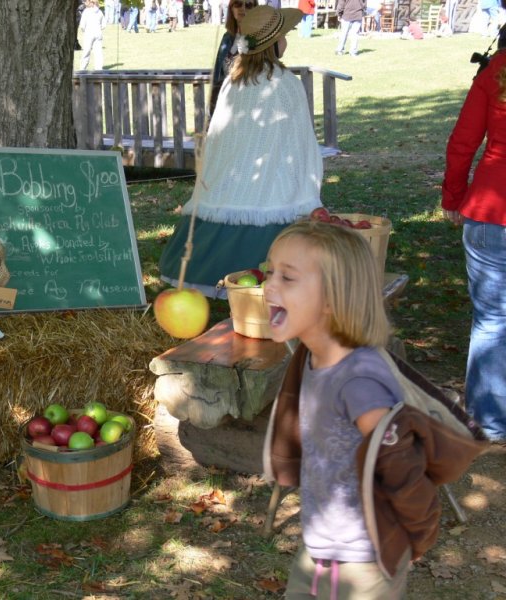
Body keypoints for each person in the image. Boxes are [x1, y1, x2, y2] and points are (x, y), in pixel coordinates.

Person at [262, 220, 486, 600]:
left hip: (364, 562)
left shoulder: (359, 384)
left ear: (333, 299)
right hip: (320, 550)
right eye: (270, 272)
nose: (268, 286)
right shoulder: (312, 357)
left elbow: (401, 466)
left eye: (287, 278)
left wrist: (417, 536)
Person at [159, 5, 322, 298]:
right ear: (274, 44)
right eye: (284, 35)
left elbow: (221, 139)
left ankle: (206, 274)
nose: (287, 40)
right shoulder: (286, 85)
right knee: (275, 192)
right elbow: (301, 145)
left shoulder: (233, 83)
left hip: (228, 184)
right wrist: (308, 188)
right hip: (270, 186)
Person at [441, 31, 506, 443]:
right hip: (489, 210)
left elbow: (463, 142)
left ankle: (489, 420)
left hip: (490, 209)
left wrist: (453, 195)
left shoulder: (494, 71)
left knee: (493, 318)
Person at [208, 0, 258, 117]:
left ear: (255, 9)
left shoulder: (260, 38)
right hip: (226, 106)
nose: (243, 8)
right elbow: (218, 74)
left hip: (251, 108)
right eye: (238, 4)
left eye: (249, 5)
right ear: (231, 8)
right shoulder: (227, 38)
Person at [79, 0, 106, 70]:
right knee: (98, 52)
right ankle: (99, 69)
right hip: (98, 33)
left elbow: (82, 25)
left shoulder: (86, 11)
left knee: (86, 52)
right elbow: (103, 25)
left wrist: (84, 30)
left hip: (89, 33)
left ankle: (82, 68)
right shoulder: (100, 12)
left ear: (91, 3)